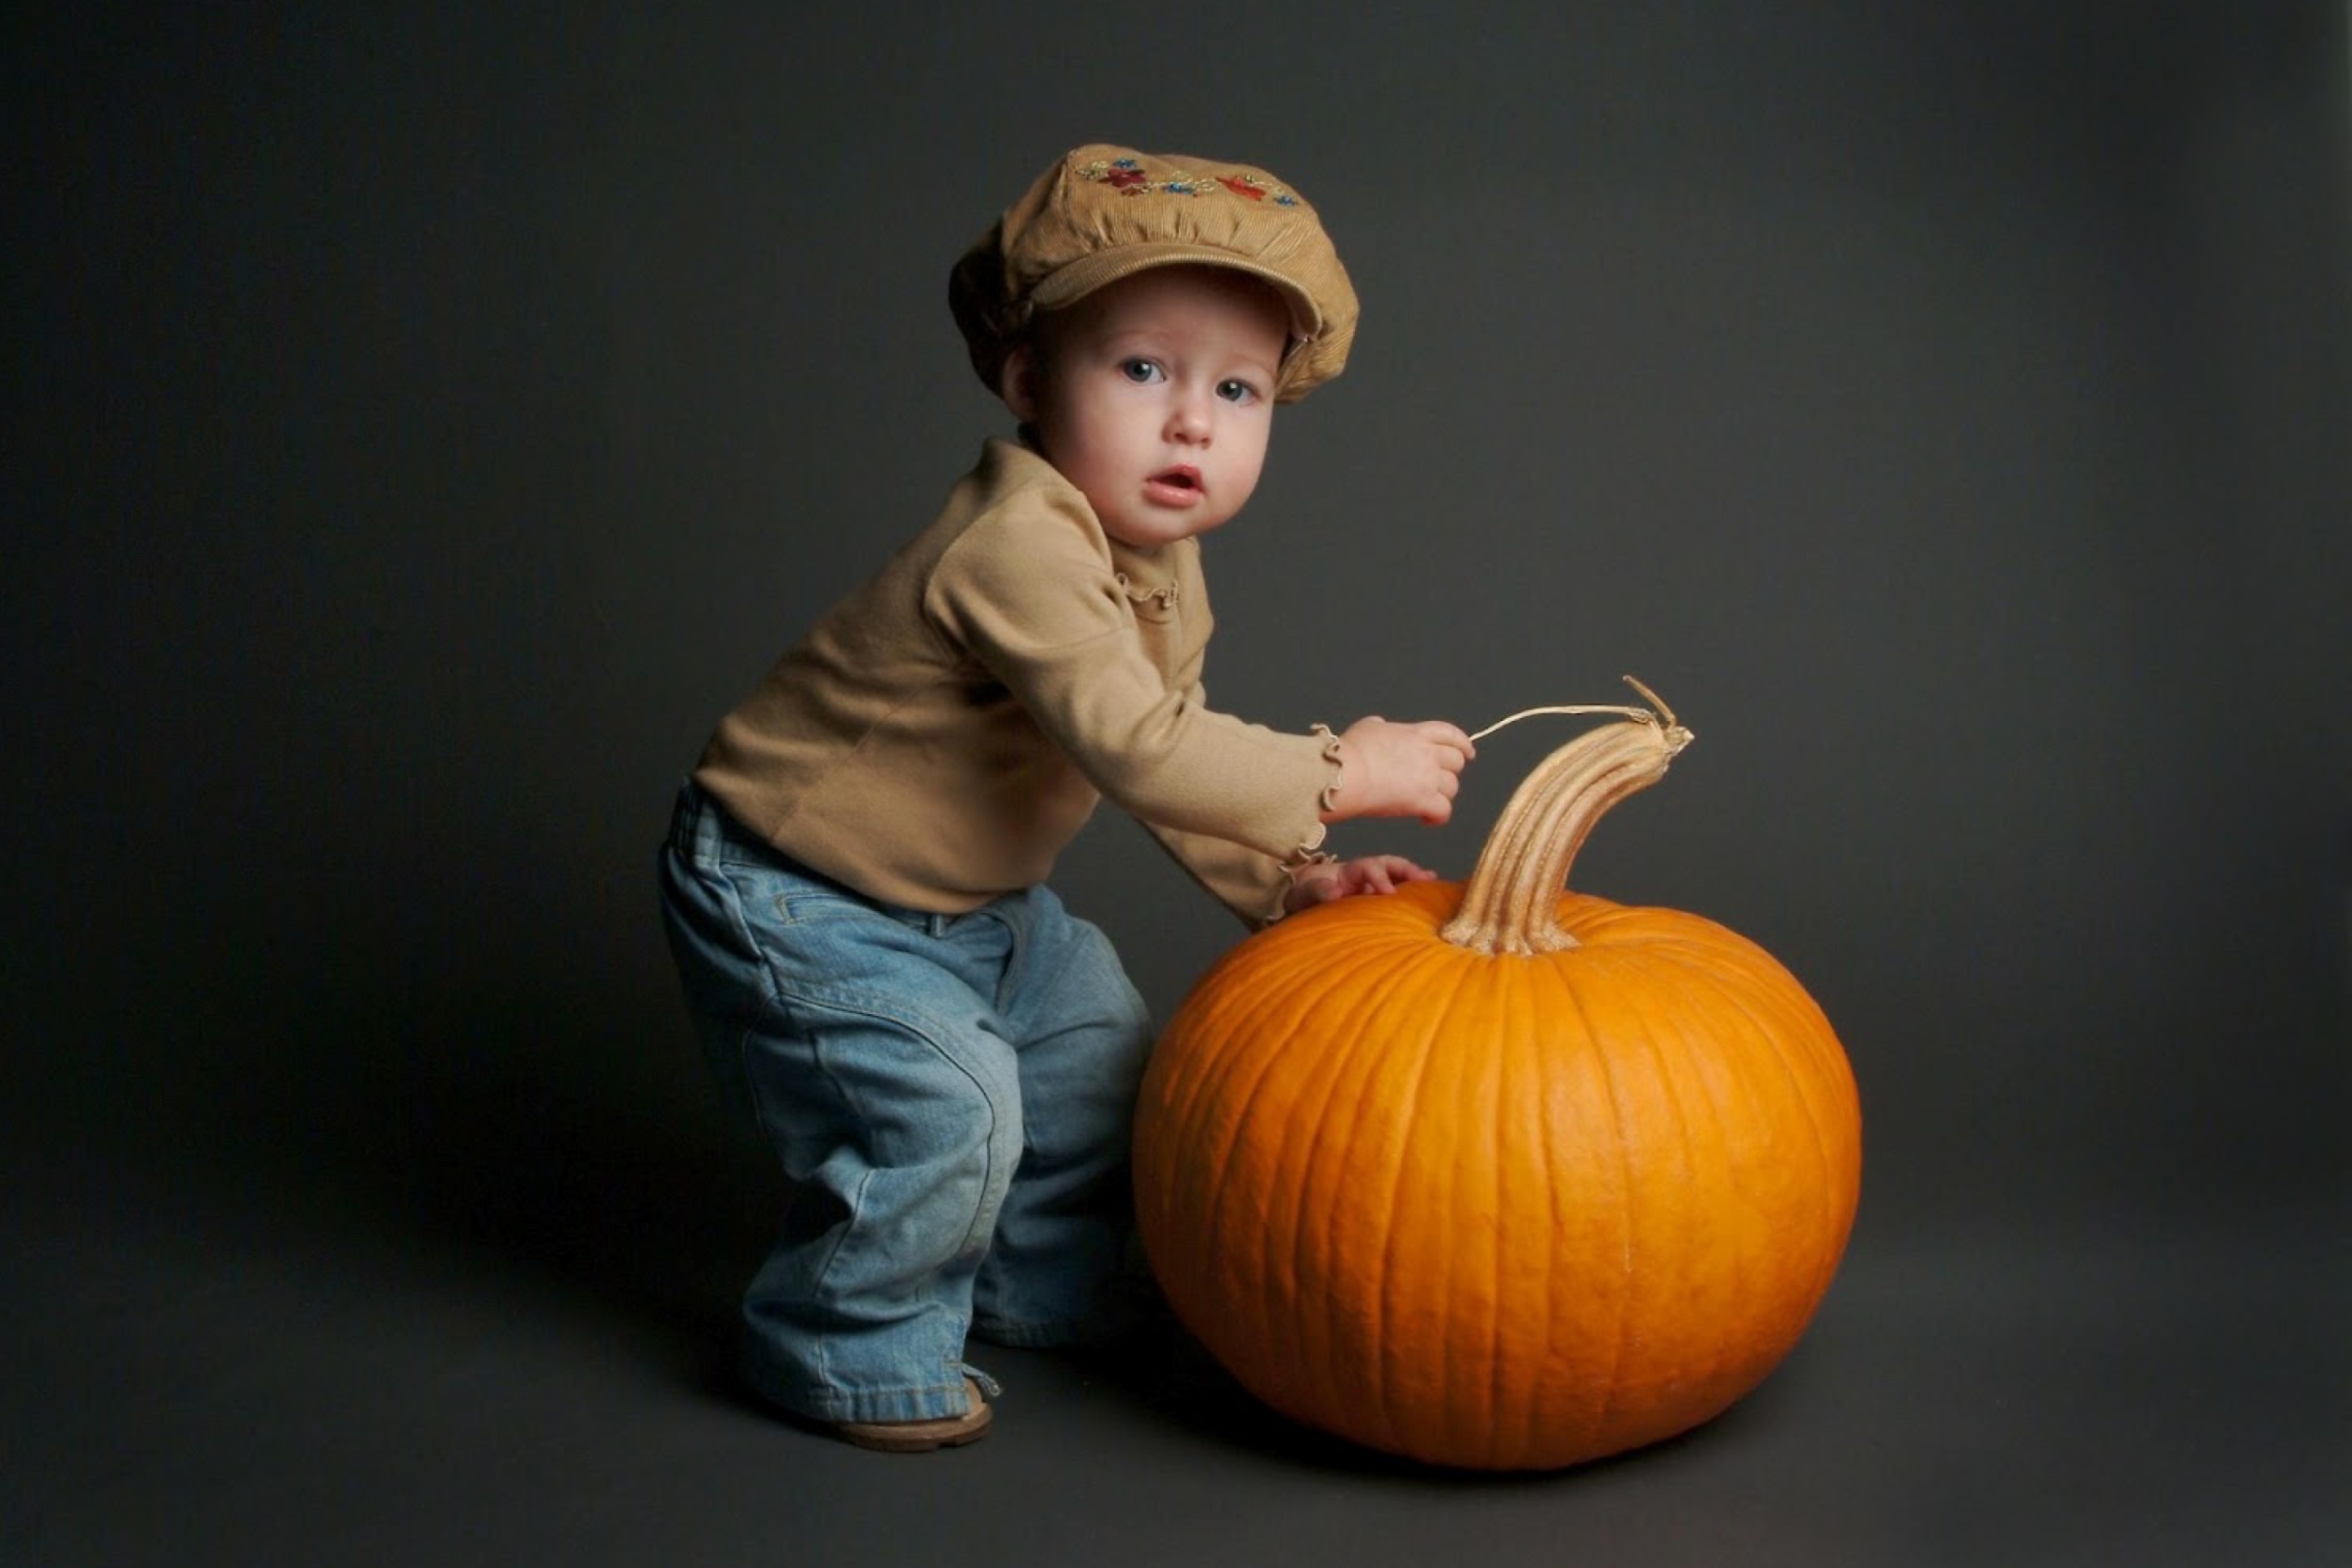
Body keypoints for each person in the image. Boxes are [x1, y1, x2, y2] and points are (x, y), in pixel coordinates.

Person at [657, 143, 1476, 1452]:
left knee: (1097, 1054)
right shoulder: (1018, 540)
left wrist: (1290, 878)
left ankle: (1040, 1285)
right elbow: (1144, 747)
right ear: (1032, 380)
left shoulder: (1160, 560)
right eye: (1143, 370)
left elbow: (1170, 755)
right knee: (950, 1102)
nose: (1193, 421)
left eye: (1238, 388)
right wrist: (1343, 769)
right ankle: (841, 1343)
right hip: (797, 889)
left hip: (971, 903)